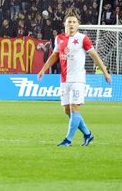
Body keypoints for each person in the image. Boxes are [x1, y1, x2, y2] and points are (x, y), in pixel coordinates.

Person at [36, 10, 112, 147]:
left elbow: (95, 56)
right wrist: (43, 69)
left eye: (74, 22)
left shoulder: (83, 38)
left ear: (78, 25)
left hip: (78, 79)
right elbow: (54, 56)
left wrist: (105, 72)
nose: (71, 24)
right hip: (64, 80)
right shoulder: (58, 38)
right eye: (69, 21)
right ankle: (88, 134)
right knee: (66, 110)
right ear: (64, 23)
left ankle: (68, 140)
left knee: (74, 108)